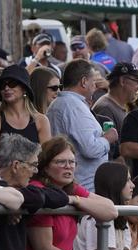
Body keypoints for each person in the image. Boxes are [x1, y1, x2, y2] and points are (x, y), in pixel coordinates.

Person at [47, 59, 118, 192]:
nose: (95, 87)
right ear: (84, 82)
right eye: (93, 82)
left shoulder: (61, 103)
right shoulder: (74, 107)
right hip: (83, 188)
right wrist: (108, 138)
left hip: (74, 185)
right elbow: (90, 148)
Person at [0, 65, 51, 147]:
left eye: (12, 83)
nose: (6, 88)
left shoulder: (41, 120)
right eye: (2, 85)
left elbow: (46, 156)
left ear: (24, 89)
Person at [93, 62, 138, 136]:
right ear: (122, 81)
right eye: (136, 80)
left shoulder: (119, 105)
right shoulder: (105, 109)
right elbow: (110, 145)